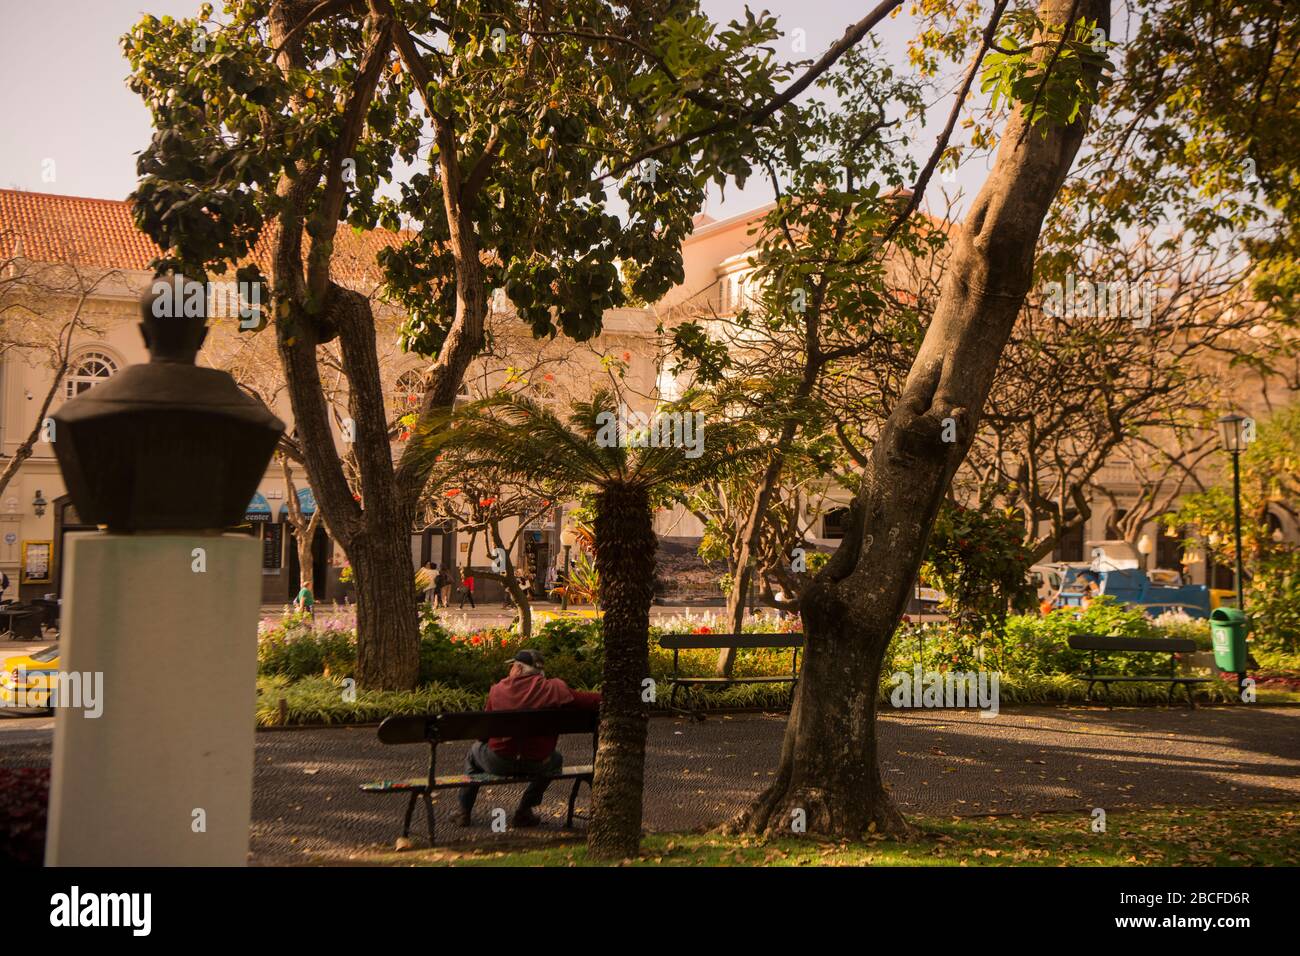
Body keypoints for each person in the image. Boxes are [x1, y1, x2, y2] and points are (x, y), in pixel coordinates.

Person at [457, 649, 600, 828]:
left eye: (511, 666)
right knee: (556, 759)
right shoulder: (554, 688)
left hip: (499, 763)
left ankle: (464, 811)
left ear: (517, 668)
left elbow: (484, 735)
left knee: (473, 753)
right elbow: (589, 700)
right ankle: (524, 810)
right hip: (538, 763)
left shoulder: (497, 690)